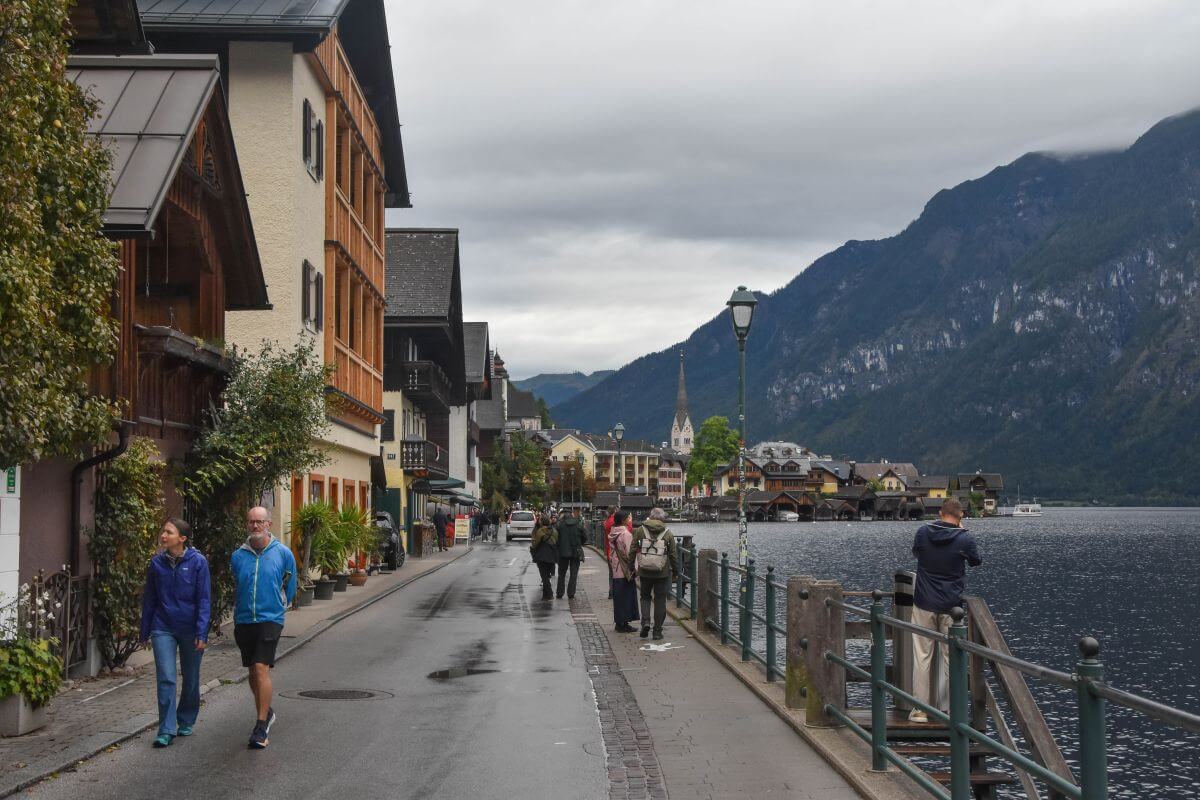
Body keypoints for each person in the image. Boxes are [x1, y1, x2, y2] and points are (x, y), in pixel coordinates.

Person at [909, 497, 982, 723]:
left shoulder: (923, 532)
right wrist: (962, 532)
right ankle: (951, 709)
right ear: (960, 516)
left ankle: (920, 709)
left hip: (923, 603)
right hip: (952, 607)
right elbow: (976, 561)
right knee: (952, 659)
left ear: (940, 512)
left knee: (922, 657)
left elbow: (917, 553)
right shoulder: (965, 538)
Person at [139, 518, 210, 748]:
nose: (163, 535)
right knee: (166, 677)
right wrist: (144, 631)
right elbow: (149, 599)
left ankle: (186, 718)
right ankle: (166, 728)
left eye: (168, 532)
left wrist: (201, 632)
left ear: (182, 538)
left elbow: (204, 600)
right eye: (163, 531)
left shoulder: (198, 562)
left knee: (190, 677)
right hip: (163, 627)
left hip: (190, 628)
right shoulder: (156, 564)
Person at [231, 506, 297, 749]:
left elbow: (290, 584)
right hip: (245, 620)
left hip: (271, 619)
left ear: (269, 524)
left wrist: (281, 607)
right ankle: (266, 710)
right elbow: (237, 581)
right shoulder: (238, 556)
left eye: (260, 522)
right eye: (251, 522)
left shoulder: (282, 553)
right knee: (252, 671)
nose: (255, 526)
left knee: (261, 667)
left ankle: (260, 727)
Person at [632, 508, 678, 640]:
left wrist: (631, 566)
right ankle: (657, 631)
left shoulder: (641, 530)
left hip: (645, 570)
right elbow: (673, 554)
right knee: (660, 601)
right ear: (662, 519)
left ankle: (645, 622)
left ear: (650, 517)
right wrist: (675, 571)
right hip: (661, 572)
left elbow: (633, 548)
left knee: (645, 597)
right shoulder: (668, 533)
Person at [607, 510, 639, 632]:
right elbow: (630, 553)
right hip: (625, 570)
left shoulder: (613, 532)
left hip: (616, 568)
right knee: (626, 597)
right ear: (624, 520)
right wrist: (635, 569)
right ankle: (624, 624)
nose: (629, 519)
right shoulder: (626, 534)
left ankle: (619, 622)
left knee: (619, 597)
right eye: (628, 517)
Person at [555, 509, 586, 599]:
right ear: (571, 515)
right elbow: (585, 537)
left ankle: (559, 593)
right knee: (574, 573)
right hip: (576, 551)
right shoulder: (578, 524)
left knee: (561, 573)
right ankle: (571, 593)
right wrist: (580, 543)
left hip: (562, 552)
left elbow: (555, 537)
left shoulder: (560, 525)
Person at [529, 513, 559, 600]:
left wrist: (533, 544)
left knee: (544, 576)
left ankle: (549, 594)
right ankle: (545, 595)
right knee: (547, 575)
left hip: (542, 555)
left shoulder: (540, 531)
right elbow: (556, 541)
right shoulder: (554, 531)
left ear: (542, 522)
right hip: (552, 555)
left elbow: (535, 544)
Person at [603, 506, 617, 598]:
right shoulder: (614, 521)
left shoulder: (606, 522)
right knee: (617, 572)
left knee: (611, 573)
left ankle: (611, 592)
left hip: (608, 550)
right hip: (615, 551)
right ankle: (615, 592)